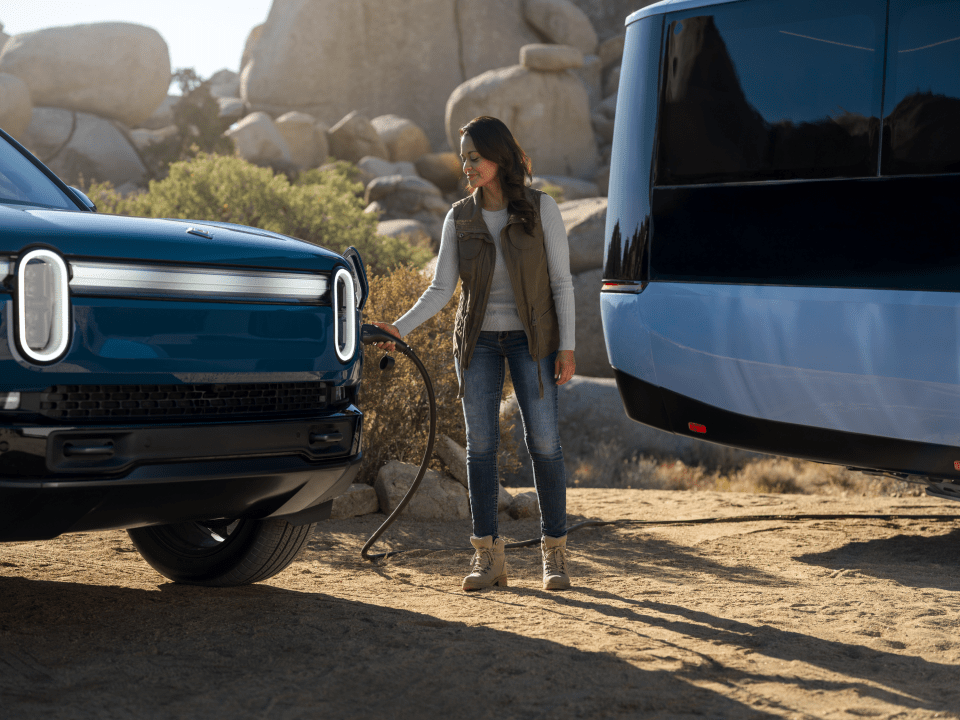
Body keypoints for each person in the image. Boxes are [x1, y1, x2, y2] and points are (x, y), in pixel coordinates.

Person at [373, 116, 576, 591]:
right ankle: (487, 557)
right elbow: (442, 288)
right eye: (463, 158)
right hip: (478, 343)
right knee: (479, 449)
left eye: (475, 157)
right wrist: (398, 329)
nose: (467, 166)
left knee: (545, 446)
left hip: (534, 341)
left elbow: (562, 283)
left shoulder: (541, 208)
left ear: (499, 157)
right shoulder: (459, 217)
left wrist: (566, 346)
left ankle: (556, 556)